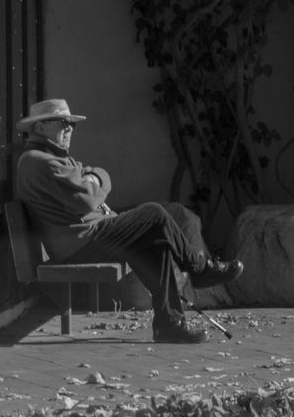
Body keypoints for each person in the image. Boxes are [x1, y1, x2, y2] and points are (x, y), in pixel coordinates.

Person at [13, 98, 244, 343]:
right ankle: (200, 268)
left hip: (88, 236)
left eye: (71, 123)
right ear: (39, 127)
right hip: (80, 243)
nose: (69, 128)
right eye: (62, 123)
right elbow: (84, 200)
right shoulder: (39, 161)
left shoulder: (55, 158)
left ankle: (170, 324)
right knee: (155, 214)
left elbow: (98, 175)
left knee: (156, 241)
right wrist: (92, 181)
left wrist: (93, 178)